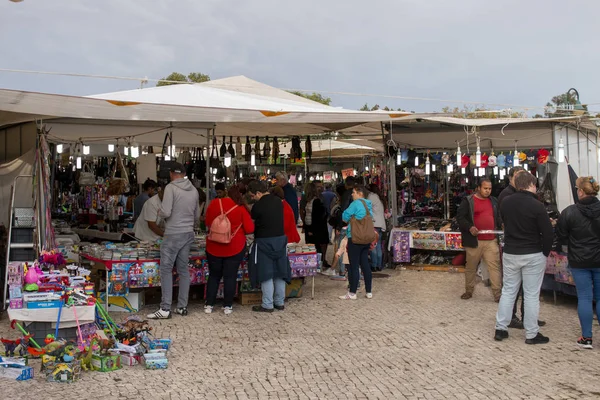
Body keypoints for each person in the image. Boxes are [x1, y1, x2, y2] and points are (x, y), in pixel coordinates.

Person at [495, 171, 553, 345]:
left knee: (508, 291)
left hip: (511, 252)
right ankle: (531, 333)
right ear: (530, 185)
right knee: (531, 295)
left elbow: (504, 222)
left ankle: (501, 327)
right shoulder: (537, 206)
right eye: (535, 185)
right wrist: (545, 252)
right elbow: (548, 233)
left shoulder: (505, 202)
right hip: (533, 253)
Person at [147, 163, 199, 319]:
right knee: (183, 270)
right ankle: (182, 307)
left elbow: (166, 211)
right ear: (184, 173)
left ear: (171, 174)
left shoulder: (170, 188)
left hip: (173, 233)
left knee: (166, 269)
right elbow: (197, 216)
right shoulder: (194, 190)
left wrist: (160, 211)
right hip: (188, 233)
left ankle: (165, 308)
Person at [557, 176, 600, 349]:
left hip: (579, 260)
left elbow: (561, 236)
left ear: (581, 191)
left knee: (584, 297)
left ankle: (587, 337)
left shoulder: (569, 212)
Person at [204, 185, 254, 315]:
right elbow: (249, 229)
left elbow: (208, 222)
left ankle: (209, 304)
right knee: (230, 276)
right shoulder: (241, 208)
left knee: (214, 275)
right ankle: (227, 306)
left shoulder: (214, 203)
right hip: (235, 247)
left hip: (213, 246)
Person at [456, 178, 503, 302]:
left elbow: (498, 217)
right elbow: (460, 218)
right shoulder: (468, 201)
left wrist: (501, 224)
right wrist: (470, 227)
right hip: (474, 241)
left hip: (491, 240)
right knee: (471, 267)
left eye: (489, 189)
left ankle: (498, 295)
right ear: (478, 188)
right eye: (485, 188)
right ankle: (469, 290)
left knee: (495, 267)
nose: (488, 191)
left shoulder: (494, 201)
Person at [248, 180, 291, 313]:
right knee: (279, 272)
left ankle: (267, 304)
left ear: (258, 193)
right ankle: (279, 302)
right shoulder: (278, 201)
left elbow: (252, 225)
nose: (252, 198)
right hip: (280, 240)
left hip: (264, 241)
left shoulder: (257, 206)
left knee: (266, 273)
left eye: (252, 195)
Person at [339, 185, 374, 300]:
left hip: (355, 237)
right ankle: (369, 291)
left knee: (353, 265)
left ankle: (352, 292)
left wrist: (350, 217)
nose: (352, 195)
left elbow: (344, 216)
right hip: (366, 238)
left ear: (360, 193)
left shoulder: (355, 204)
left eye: (353, 192)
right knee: (365, 264)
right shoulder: (368, 204)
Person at [303, 182, 331, 269]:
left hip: (312, 226)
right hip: (316, 227)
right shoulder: (315, 201)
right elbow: (318, 216)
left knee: (315, 246)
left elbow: (312, 215)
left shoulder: (311, 201)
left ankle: (317, 263)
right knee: (319, 246)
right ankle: (319, 263)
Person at [368, 184, 386, 271]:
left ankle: (374, 265)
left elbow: (367, 209)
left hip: (374, 224)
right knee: (378, 245)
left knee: (373, 245)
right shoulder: (379, 197)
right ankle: (379, 265)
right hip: (380, 224)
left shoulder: (371, 197)